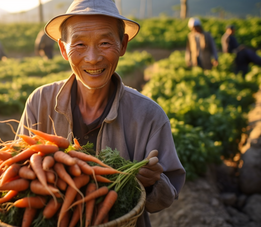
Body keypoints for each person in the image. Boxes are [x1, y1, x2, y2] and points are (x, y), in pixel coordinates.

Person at [16, 0, 186, 226]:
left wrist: (152, 182)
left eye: (105, 43)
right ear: (63, 49)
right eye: (79, 45)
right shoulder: (39, 102)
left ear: (123, 44)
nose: (92, 58)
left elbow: (166, 197)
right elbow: (17, 169)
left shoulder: (149, 116)